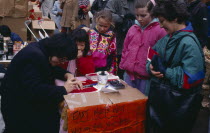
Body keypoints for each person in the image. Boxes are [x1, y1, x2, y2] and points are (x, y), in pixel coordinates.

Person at [0, 33, 83, 133]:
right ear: (56, 50)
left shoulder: (43, 49)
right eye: (62, 59)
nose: (62, 63)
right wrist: (63, 89)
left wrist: (67, 75)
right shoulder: (33, 55)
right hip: (20, 110)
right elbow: (35, 89)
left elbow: (51, 68)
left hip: (26, 104)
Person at [146, 0, 205, 133]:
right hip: (163, 105)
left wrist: (166, 71)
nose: (160, 26)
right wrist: (150, 67)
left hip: (178, 108)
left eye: (162, 21)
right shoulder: (166, 38)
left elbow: (193, 80)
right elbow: (150, 57)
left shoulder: (189, 44)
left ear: (176, 18)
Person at [119, 0, 166, 95]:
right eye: (137, 15)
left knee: (142, 105)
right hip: (128, 74)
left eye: (143, 15)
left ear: (152, 14)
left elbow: (161, 53)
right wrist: (124, 64)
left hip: (146, 78)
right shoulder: (132, 28)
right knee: (127, 101)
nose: (139, 18)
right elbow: (125, 48)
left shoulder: (160, 30)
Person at [105, 0, 138, 79]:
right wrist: (122, 18)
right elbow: (107, 13)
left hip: (135, 38)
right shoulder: (114, 1)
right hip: (118, 37)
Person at [82, 10, 117, 74]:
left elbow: (112, 54)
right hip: (89, 67)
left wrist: (110, 70)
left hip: (104, 69)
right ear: (96, 21)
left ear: (110, 24)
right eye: (100, 25)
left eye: (105, 26)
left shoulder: (111, 35)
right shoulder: (90, 33)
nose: (102, 29)